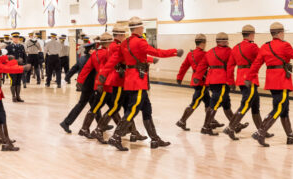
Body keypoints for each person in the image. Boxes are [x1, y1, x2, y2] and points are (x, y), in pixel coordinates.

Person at [106, 17, 182, 150]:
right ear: (138, 28)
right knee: (133, 110)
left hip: (130, 81)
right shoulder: (140, 42)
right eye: (142, 27)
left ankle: (155, 139)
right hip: (138, 82)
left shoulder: (125, 43)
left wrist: (103, 73)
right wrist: (175, 52)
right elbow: (158, 52)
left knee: (147, 110)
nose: (143, 29)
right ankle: (116, 137)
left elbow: (116, 60)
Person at [250, 22, 293, 146]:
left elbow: (256, 64)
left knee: (284, 109)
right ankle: (261, 132)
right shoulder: (284, 45)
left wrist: (249, 77)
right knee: (279, 108)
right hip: (282, 81)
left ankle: (290, 136)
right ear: (280, 33)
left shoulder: (265, 46)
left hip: (271, 81)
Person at [222, 25, 263, 140]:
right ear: (251, 35)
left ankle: (262, 130)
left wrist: (231, 81)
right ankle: (231, 128)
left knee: (255, 106)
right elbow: (262, 58)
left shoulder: (235, 48)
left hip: (240, 78)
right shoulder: (253, 47)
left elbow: (230, 67)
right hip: (250, 79)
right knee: (245, 105)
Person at [88, 25, 128, 141]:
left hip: (106, 81)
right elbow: (109, 65)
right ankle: (95, 129)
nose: (125, 36)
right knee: (112, 107)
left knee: (116, 106)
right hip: (109, 82)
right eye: (123, 34)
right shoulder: (112, 48)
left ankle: (129, 130)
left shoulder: (99, 52)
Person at [60, 35, 103, 134]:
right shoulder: (91, 59)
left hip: (86, 86)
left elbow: (73, 69)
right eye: (95, 49)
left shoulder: (82, 58)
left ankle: (101, 124)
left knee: (94, 105)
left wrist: (66, 78)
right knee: (82, 105)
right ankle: (66, 122)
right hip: (90, 86)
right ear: (91, 50)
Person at [200, 33, 235, 135]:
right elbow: (230, 68)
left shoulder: (210, 52)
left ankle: (235, 125)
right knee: (214, 105)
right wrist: (231, 82)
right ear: (224, 41)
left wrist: (197, 77)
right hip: (222, 81)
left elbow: (202, 66)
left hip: (212, 81)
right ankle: (205, 127)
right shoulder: (229, 51)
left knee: (226, 103)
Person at [175, 35, 211, 131]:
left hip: (195, 81)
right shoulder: (205, 54)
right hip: (202, 82)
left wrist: (179, 77)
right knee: (194, 103)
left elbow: (184, 66)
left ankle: (211, 121)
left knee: (209, 103)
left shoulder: (190, 54)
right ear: (203, 43)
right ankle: (182, 120)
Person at [5, 32, 27, 102]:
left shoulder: (21, 46)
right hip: (12, 67)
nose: (16, 39)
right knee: (13, 81)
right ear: (12, 38)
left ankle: (18, 96)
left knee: (18, 81)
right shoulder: (8, 47)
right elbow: (6, 57)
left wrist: (25, 64)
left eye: (17, 38)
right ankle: (13, 96)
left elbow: (24, 56)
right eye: (15, 38)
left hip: (20, 67)